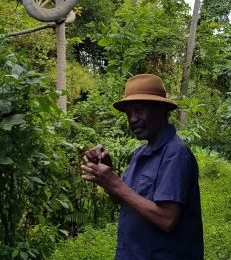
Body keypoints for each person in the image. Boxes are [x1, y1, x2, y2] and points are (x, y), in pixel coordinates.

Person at [81, 74, 203, 260]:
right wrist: (108, 172)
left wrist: (116, 185)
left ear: (161, 110)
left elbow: (167, 219)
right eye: (129, 113)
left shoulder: (175, 154)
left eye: (139, 110)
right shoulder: (141, 153)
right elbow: (125, 200)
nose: (132, 119)